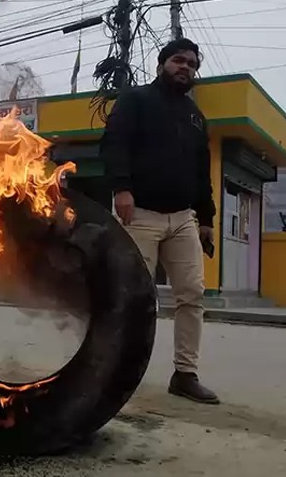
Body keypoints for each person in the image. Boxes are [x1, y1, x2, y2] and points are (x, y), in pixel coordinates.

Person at [99, 38, 219, 405]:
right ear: (161, 64)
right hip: (141, 215)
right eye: (179, 61)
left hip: (183, 219)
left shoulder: (196, 116)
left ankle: (185, 374)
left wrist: (207, 218)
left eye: (193, 64)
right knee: (132, 297)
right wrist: (122, 189)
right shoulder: (136, 100)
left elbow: (201, 171)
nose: (186, 67)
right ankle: (112, 374)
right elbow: (114, 143)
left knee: (192, 294)